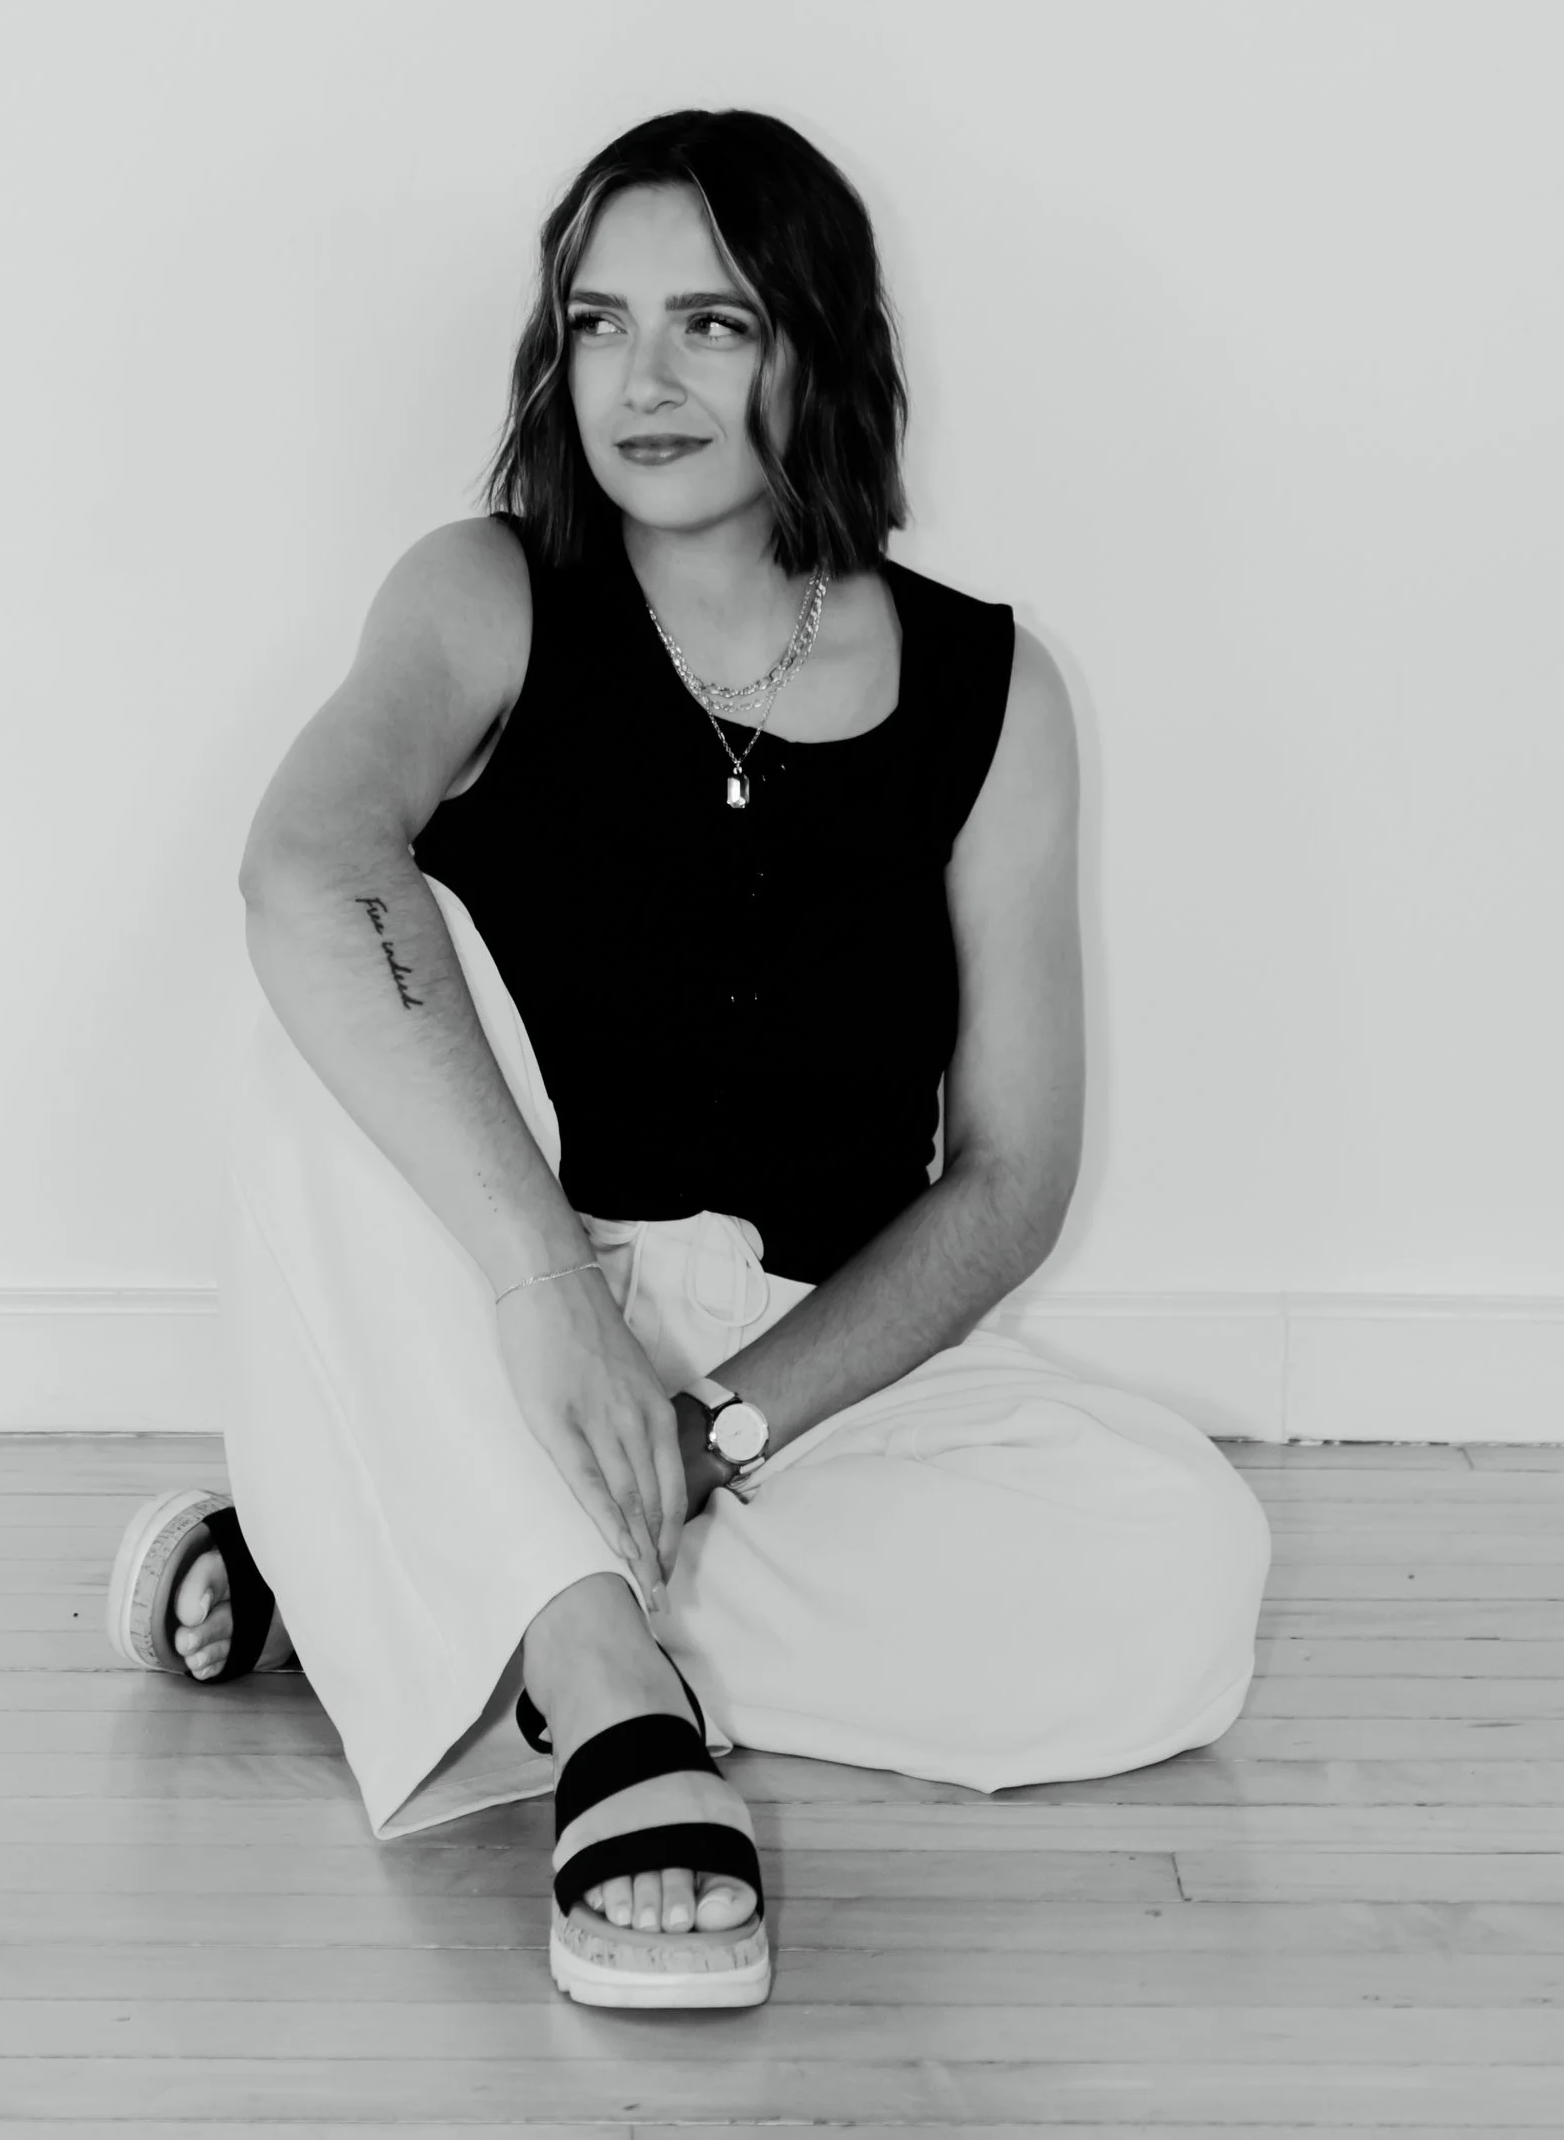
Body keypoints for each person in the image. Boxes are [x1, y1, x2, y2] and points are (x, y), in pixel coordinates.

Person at [106, 108, 1270, 2010]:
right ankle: (623, 1712)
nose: (639, 379)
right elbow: (307, 865)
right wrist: (549, 1293)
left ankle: (410, 1567)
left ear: (820, 346)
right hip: (486, 1281)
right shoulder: (485, 591)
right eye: (596, 320)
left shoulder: (996, 692)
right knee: (321, 1010)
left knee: (1183, 1578)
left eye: (713, 323)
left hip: (795, 1369)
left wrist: (720, 1427)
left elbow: (1010, 1176)